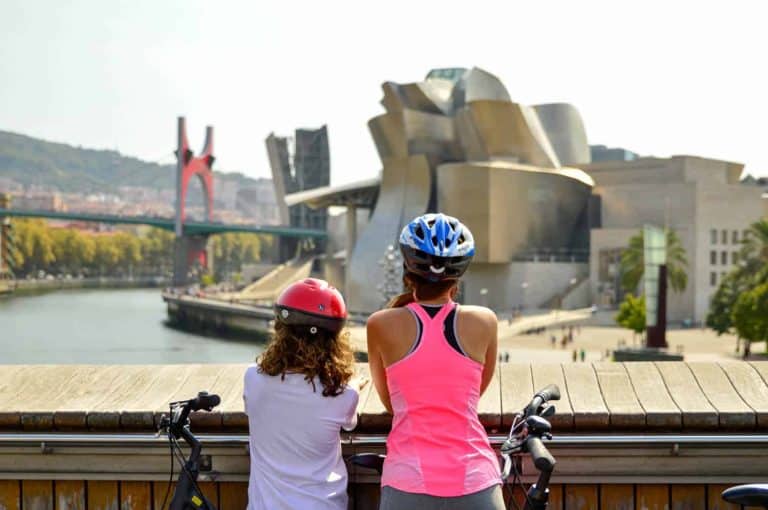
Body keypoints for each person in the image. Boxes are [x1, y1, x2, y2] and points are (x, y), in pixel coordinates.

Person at [367, 213, 504, 510]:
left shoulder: (380, 324)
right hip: (475, 481)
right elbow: (470, 396)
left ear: (407, 272)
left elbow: (392, 404)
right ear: (458, 276)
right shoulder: (485, 321)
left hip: (407, 481)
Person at [243, 278, 364, 510]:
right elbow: (349, 424)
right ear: (335, 339)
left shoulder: (254, 379)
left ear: (281, 331)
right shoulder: (344, 392)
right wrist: (355, 385)